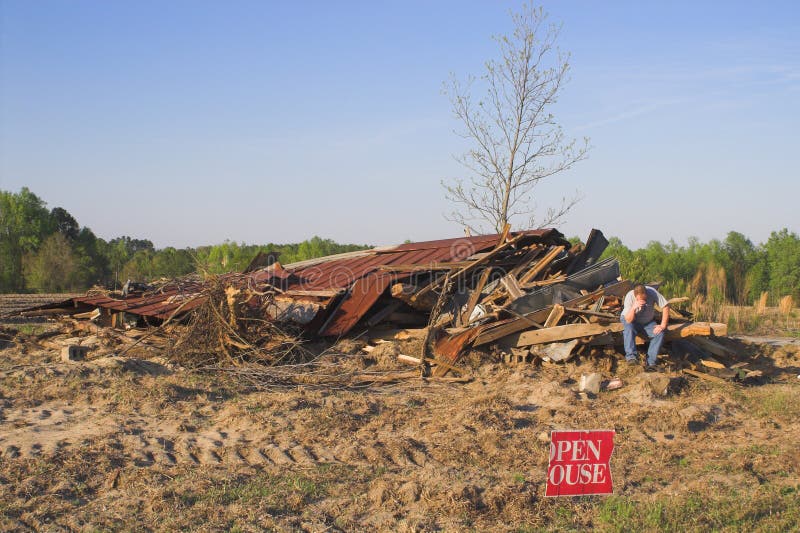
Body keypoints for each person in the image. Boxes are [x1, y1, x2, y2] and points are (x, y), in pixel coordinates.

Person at [620, 284, 670, 371]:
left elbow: (665, 306)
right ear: (635, 296)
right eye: (640, 299)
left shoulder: (652, 292)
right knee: (629, 328)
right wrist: (633, 308)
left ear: (646, 293)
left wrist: (663, 325)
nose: (643, 301)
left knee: (659, 333)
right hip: (631, 319)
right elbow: (628, 320)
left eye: (644, 298)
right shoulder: (629, 296)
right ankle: (631, 357)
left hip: (647, 322)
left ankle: (651, 363)